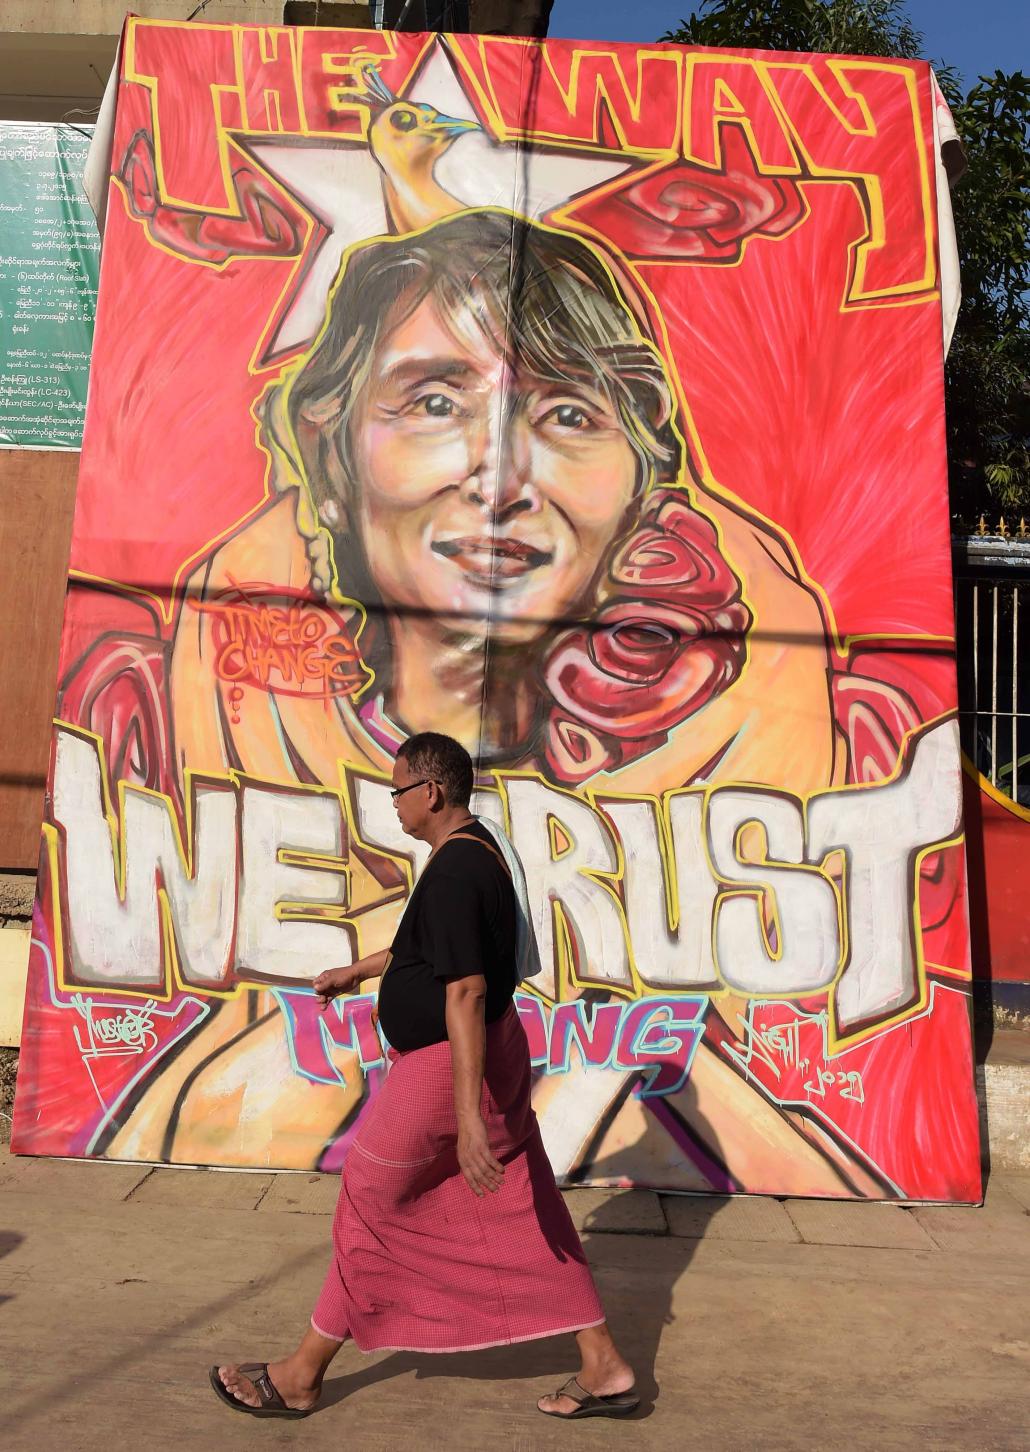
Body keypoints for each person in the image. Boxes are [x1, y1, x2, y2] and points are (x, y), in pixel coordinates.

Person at [209, 732, 639, 1421]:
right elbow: (430, 947)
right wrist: (362, 970)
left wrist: (468, 1115)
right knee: (521, 1211)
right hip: (489, 1048)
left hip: (448, 1065)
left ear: (430, 792)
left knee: (370, 1201)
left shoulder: (456, 873)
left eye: (397, 791)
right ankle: (604, 1364)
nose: (393, 805)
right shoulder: (478, 848)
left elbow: (464, 990)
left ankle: (300, 1375)